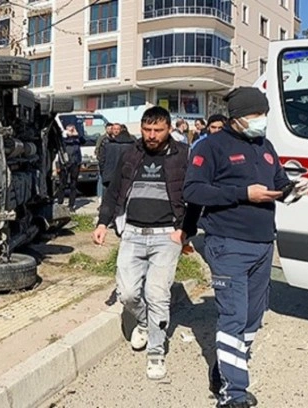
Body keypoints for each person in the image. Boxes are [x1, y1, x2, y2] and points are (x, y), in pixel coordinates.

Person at [183, 87, 308, 408]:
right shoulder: (211, 147)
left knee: (253, 318)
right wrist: (243, 193)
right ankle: (233, 395)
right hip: (228, 244)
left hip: (264, 243)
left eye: (264, 114)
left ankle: (223, 370)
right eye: (255, 115)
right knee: (233, 317)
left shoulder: (264, 146)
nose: (261, 120)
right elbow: (194, 190)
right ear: (236, 118)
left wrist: (293, 190)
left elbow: (278, 182)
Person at [93, 106, 196, 381]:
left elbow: (196, 195)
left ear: (169, 129)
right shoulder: (130, 153)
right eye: (147, 129)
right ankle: (142, 321)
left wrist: (185, 231)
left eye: (158, 130)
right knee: (127, 293)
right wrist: (103, 222)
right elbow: (114, 191)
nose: (151, 135)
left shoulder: (183, 155)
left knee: (157, 294)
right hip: (132, 234)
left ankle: (156, 351)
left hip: (167, 236)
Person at [98, 122, 135, 190]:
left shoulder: (107, 144)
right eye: (114, 129)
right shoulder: (105, 141)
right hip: (121, 176)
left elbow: (101, 160)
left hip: (111, 176)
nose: (116, 130)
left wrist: (104, 172)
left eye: (118, 129)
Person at [57, 123, 85, 210]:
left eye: (73, 129)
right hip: (65, 163)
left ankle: (71, 205)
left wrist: (77, 135)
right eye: (70, 129)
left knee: (73, 184)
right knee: (62, 184)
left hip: (75, 163)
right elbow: (63, 142)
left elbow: (83, 141)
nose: (72, 131)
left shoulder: (77, 138)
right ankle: (60, 203)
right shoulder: (64, 138)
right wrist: (68, 135)